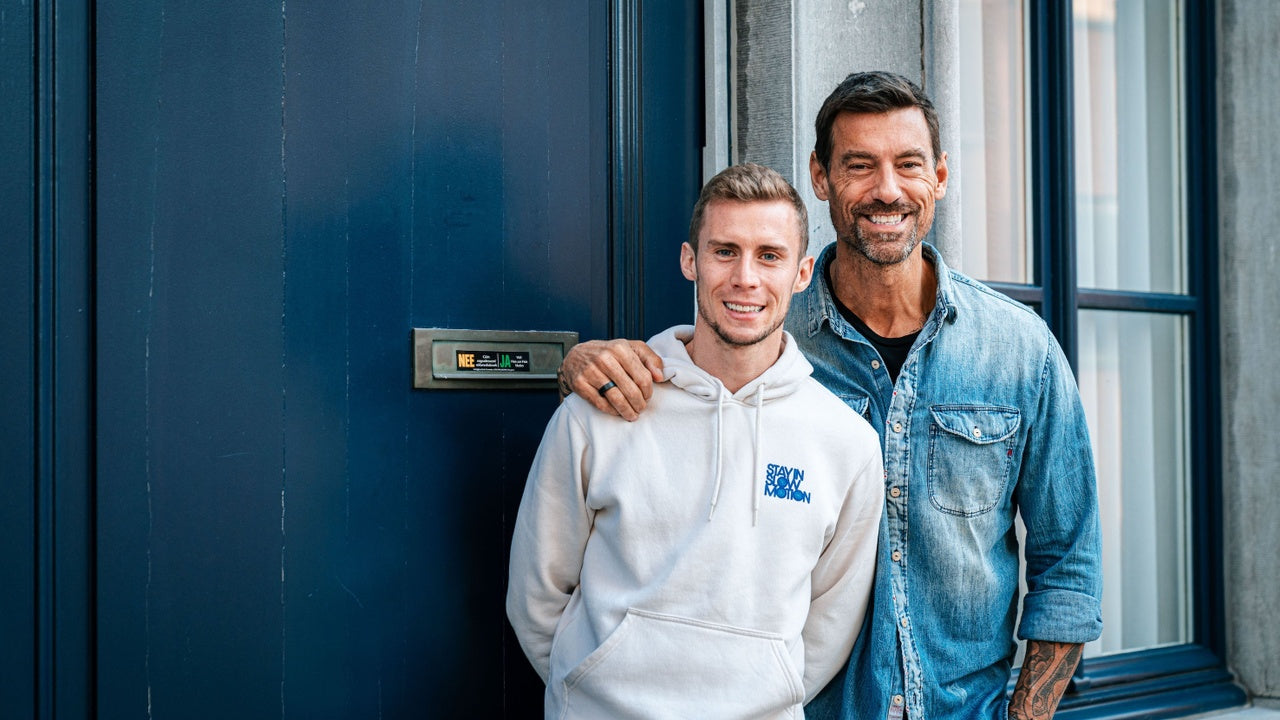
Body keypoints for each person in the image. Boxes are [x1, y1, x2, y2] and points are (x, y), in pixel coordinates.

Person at [556, 71, 1102, 720]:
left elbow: (1068, 562)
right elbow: (669, 403)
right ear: (820, 178)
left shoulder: (1021, 351)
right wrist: (583, 366)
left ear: (942, 176)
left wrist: (1024, 715)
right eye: (859, 166)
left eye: (908, 164)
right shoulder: (765, 340)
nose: (887, 190)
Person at [507, 163, 885, 719]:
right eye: (725, 251)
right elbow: (536, 597)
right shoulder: (602, 409)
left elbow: (830, 622)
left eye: (770, 256)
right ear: (691, 260)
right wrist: (592, 684)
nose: (746, 278)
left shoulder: (846, 443)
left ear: (802, 272)